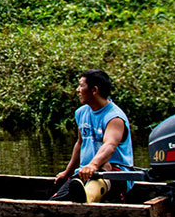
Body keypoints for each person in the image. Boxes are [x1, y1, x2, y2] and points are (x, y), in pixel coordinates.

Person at [54, 69, 136, 200]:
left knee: (105, 166)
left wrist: (93, 165)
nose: (77, 90)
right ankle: (79, 194)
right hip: (84, 174)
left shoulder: (114, 118)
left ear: (94, 90)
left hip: (115, 174)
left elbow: (110, 145)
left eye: (81, 86)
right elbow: (80, 144)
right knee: (56, 202)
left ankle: (87, 197)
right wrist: (67, 172)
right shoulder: (81, 113)